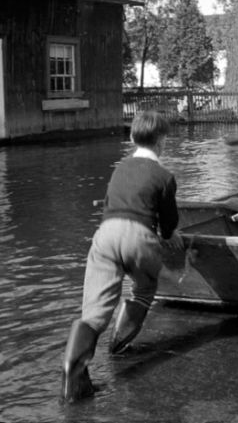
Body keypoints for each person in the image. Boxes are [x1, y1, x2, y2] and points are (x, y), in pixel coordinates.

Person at [61, 110, 184, 403]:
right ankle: (118, 348)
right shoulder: (165, 177)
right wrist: (170, 236)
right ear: (162, 142)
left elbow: (110, 202)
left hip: (104, 235)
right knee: (143, 289)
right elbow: (167, 225)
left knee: (93, 312)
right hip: (138, 237)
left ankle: (73, 379)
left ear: (131, 138)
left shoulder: (120, 168)